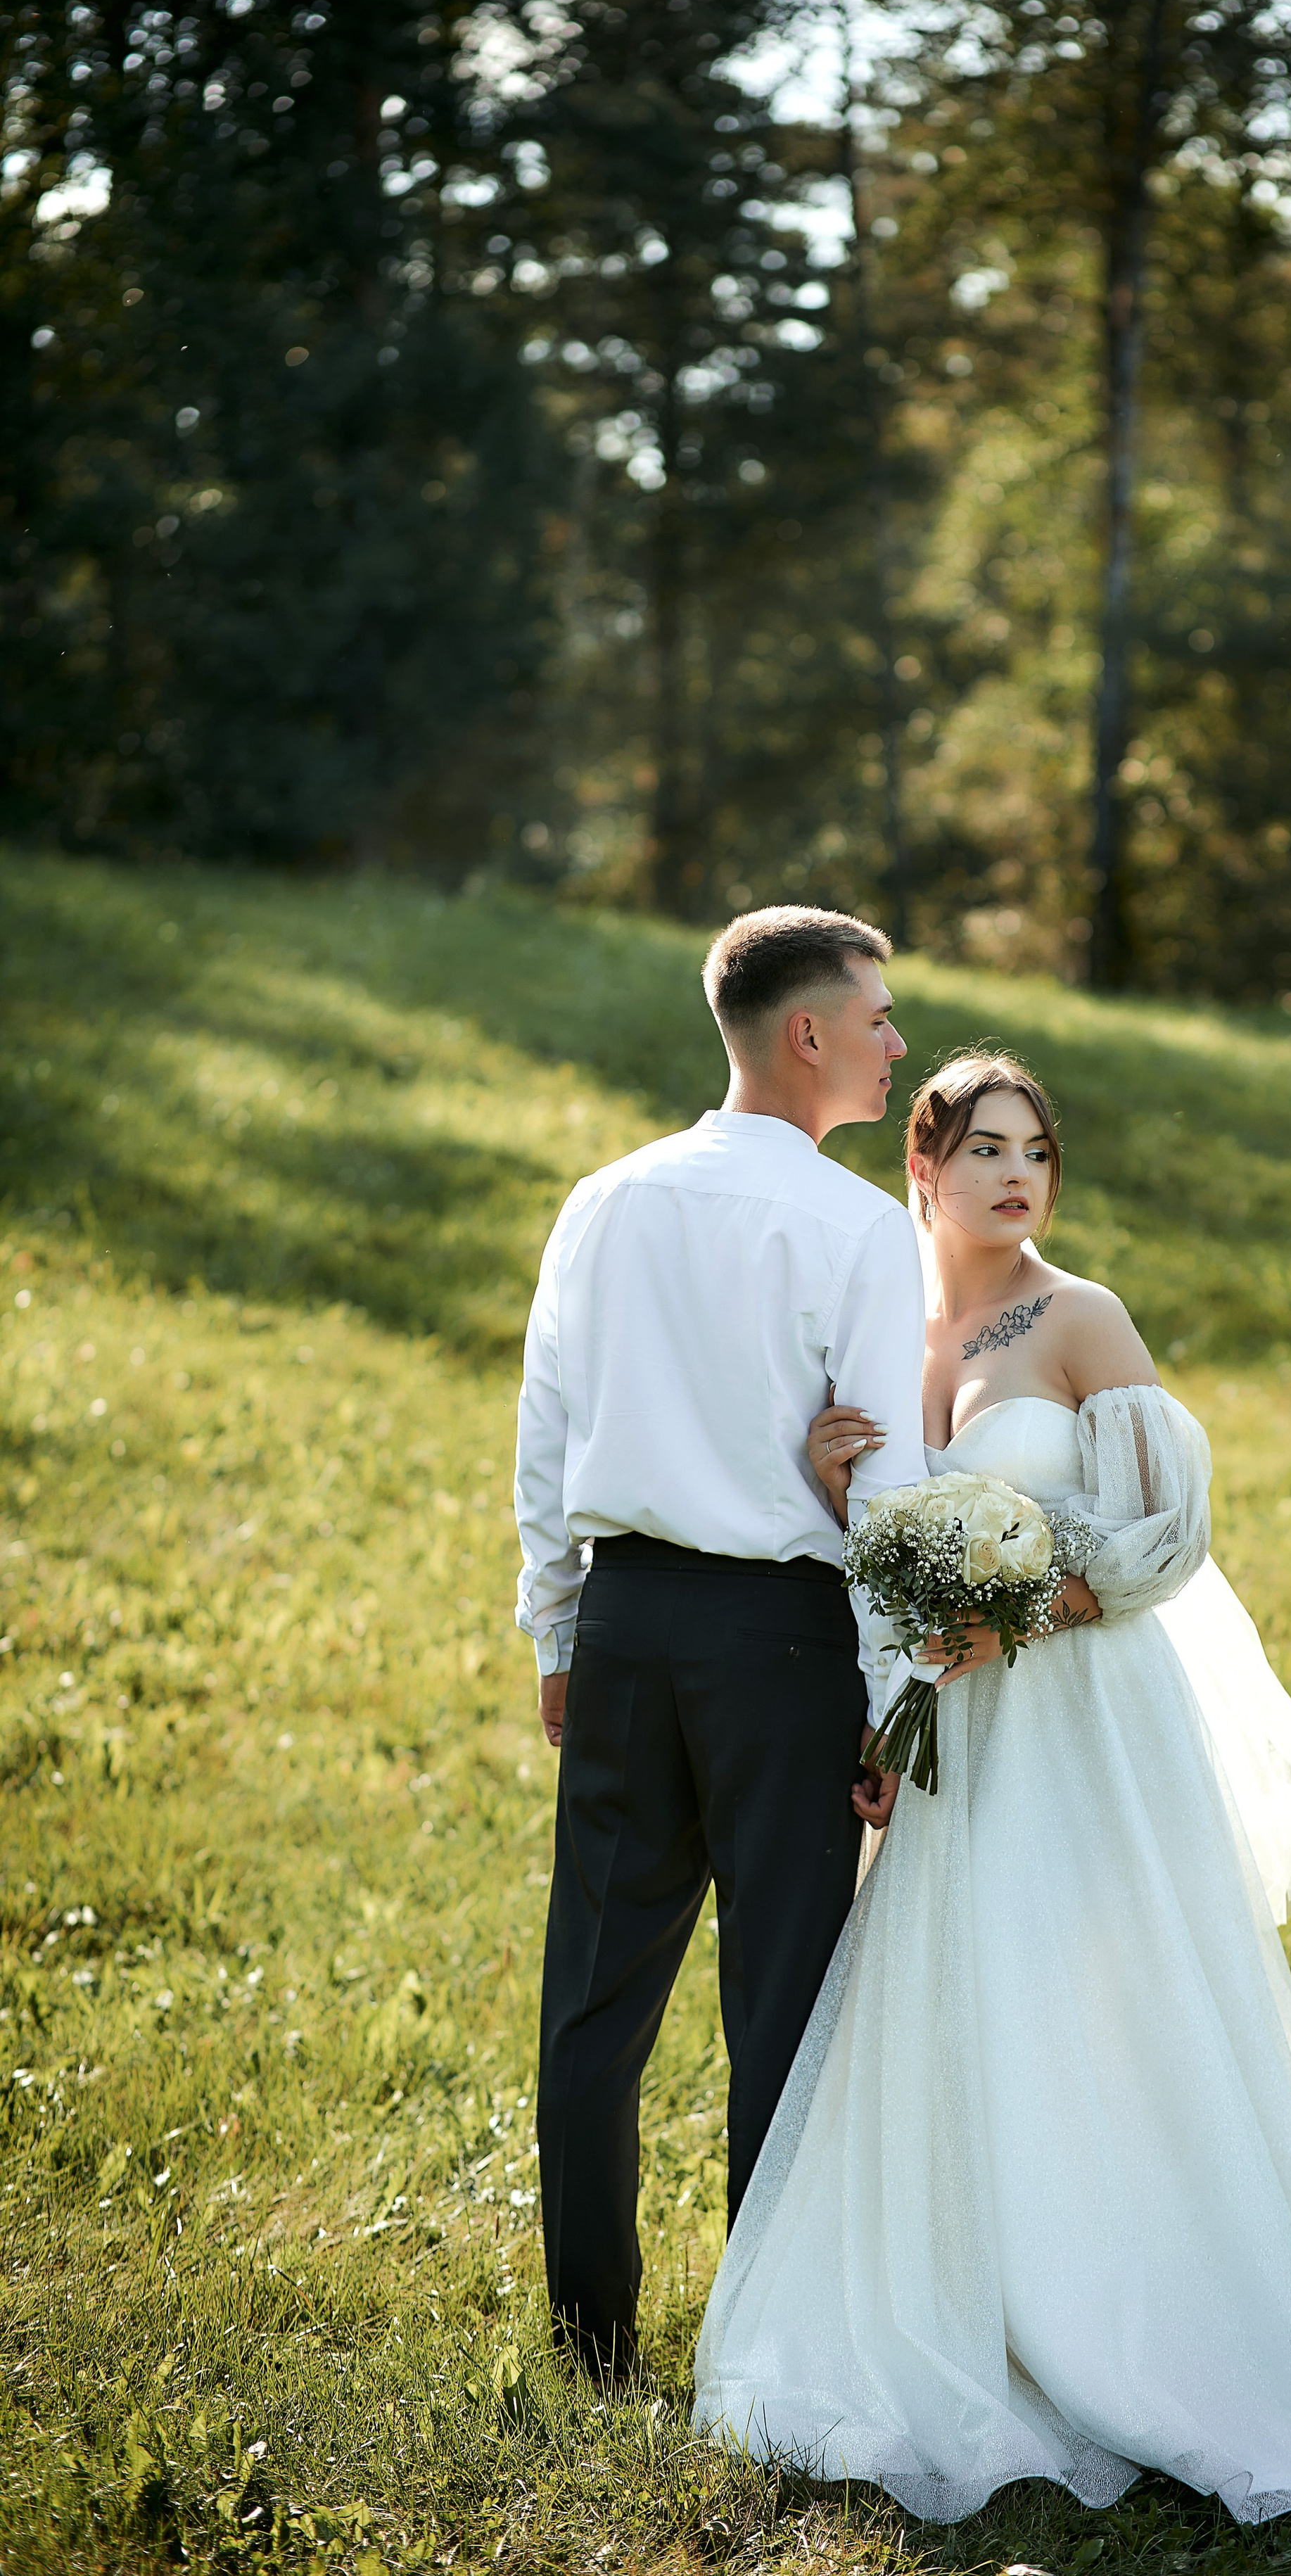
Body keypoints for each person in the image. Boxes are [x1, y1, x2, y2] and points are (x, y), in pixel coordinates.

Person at [692, 1052, 1291, 2525]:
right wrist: (845, 1499)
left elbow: (1166, 1536)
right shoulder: (891, 1332)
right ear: (922, 1167)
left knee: (1116, 1997)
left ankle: (1163, 2318)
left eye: (1034, 1152)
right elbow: (896, 1561)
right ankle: (1000, 2301)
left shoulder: (1077, 1315)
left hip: (1087, 1713)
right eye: (981, 1151)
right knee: (980, 2000)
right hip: (966, 1734)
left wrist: (1022, 1617)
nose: (1013, 1176)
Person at [512, 906, 929, 2385]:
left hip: (624, 1622)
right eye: (875, 1018)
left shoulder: (604, 1197)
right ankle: (761, 2356)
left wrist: (558, 1626)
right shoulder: (857, 1228)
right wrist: (896, 1702)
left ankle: (591, 2344)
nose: (895, 1046)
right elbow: (884, 1485)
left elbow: (545, 1428)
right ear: (803, 1033)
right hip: (781, 1641)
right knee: (783, 2005)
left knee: (595, 1997)